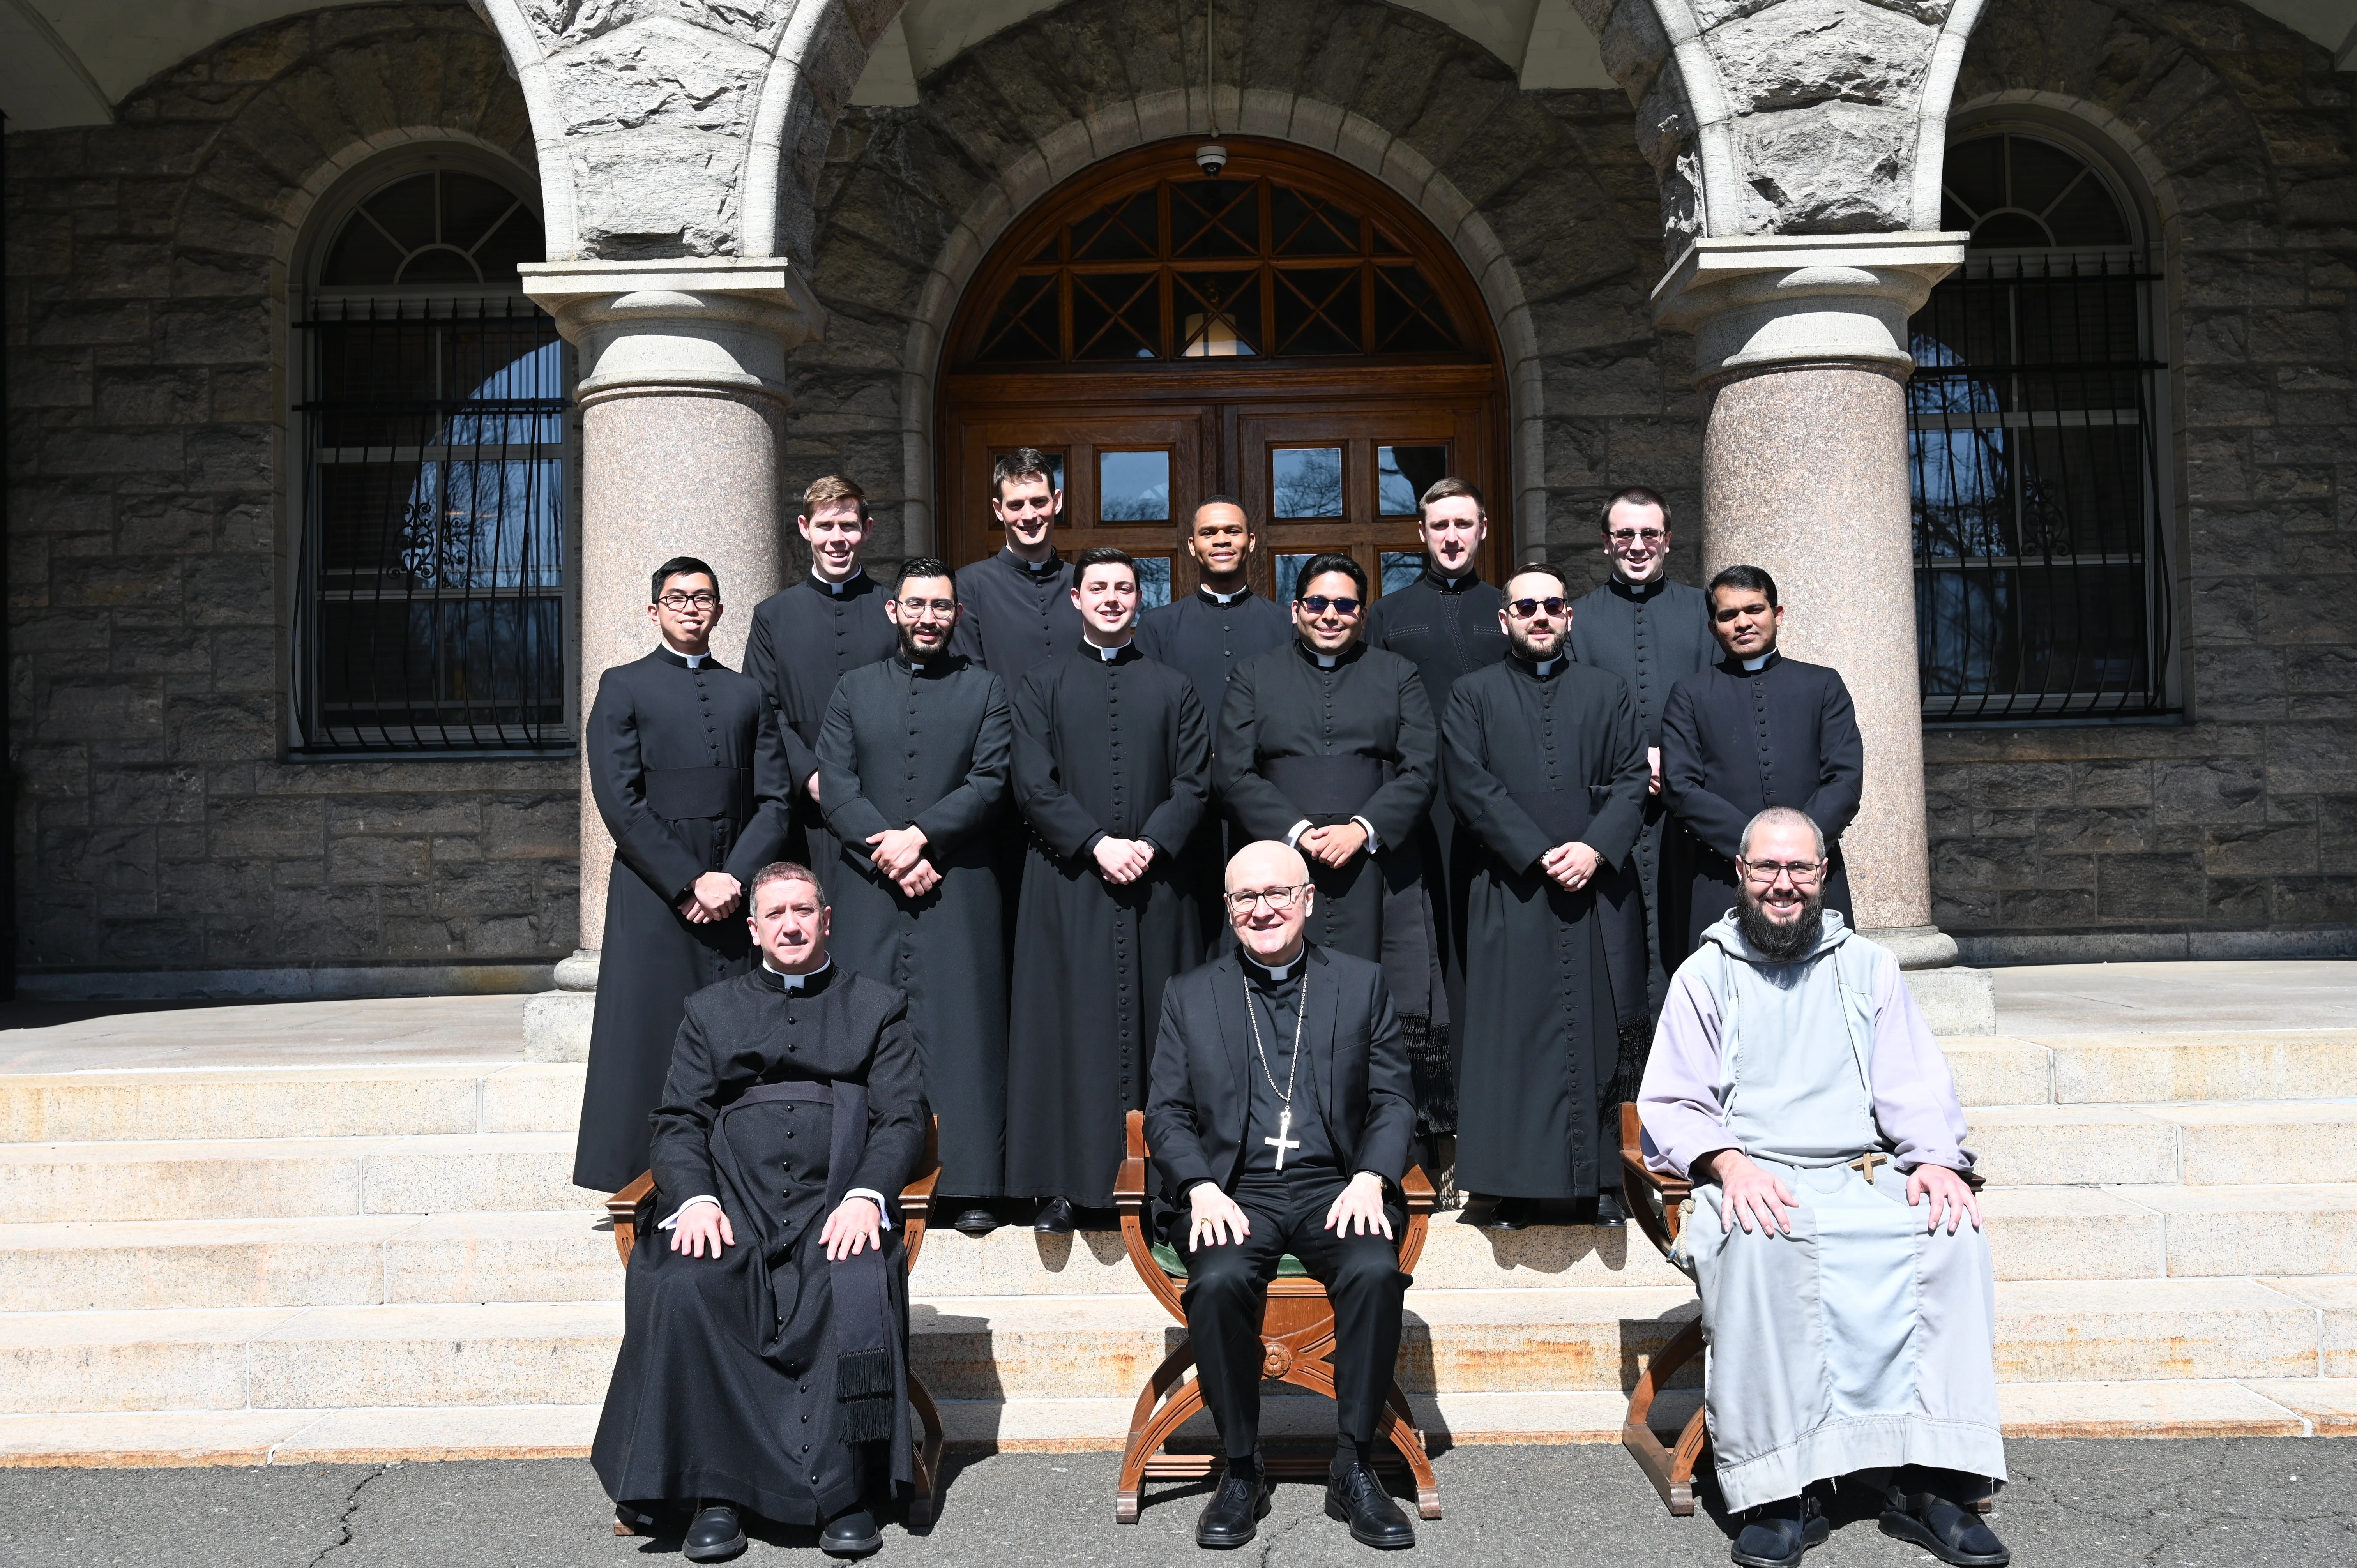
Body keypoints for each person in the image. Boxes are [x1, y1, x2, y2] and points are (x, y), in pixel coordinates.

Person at [1638, 808, 2008, 1568]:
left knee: (1952, 1234)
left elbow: (1911, 1079)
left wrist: (1936, 1157)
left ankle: (1933, 1480)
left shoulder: (1868, 964)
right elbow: (1672, 1101)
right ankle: (1778, 1492)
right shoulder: (1705, 974)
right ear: (1740, 873)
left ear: (1823, 873)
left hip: (1860, 1172)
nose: (1784, 884)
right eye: (1768, 869)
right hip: (1752, 1173)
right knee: (1761, 1241)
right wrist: (1730, 1163)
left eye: (1800, 869)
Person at [593, 861, 926, 1563]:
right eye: (774, 914)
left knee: (851, 1274)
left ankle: (843, 1491)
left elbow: (901, 1117)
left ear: (826, 919)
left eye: (803, 910)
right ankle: (717, 1492)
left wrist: (868, 1194)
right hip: (732, 1195)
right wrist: (696, 1197)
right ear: (752, 929)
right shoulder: (709, 1010)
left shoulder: (878, 1005)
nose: (791, 924)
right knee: (687, 1282)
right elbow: (677, 1118)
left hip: (836, 1197)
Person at [1145, 840, 1419, 1553]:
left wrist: (1370, 1175)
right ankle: (1240, 1465)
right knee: (1220, 1276)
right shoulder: (1190, 991)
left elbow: (1393, 1099)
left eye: (1275, 893)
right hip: (1234, 1190)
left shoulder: (1359, 984)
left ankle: (1354, 1464)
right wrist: (1199, 1186)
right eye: (1244, 897)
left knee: (1372, 1269)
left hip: (1336, 1185)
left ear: (1306, 899)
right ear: (1228, 908)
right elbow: (1167, 1113)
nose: (1260, 908)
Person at [1005, 547, 1210, 1234]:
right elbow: (1032, 781)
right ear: (1076, 598)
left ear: (1139, 598)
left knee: (1165, 1033)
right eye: (1099, 587)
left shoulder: (1173, 686)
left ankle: (1165, 1186)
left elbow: (1194, 782)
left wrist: (1147, 844)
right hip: (1070, 883)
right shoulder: (1040, 684)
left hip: (1158, 887)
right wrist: (1096, 842)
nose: (1112, 598)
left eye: (1125, 587)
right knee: (1066, 1026)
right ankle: (1064, 1185)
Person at [574, 556, 794, 1194]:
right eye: (677, 597)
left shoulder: (748, 693)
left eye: (702, 597)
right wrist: (687, 879)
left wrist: (733, 877)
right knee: (649, 1031)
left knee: (737, 1030)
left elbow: (775, 799)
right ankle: (640, 1175)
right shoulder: (622, 685)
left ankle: (735, 1168)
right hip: (655, 889)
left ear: (720, 611)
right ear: (654, 611)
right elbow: (619, 799)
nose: (691, 607)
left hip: (733, 886)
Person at [1442, 563, 1649, 1230]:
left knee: (1602, 1033)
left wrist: (1592, 847)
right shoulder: (1470, 694)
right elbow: (1468, 784)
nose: (1539, 615)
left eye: (1551, 605)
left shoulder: (1607, 690)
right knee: (1511, 1035)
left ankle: (1603, 1183)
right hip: (1511, 884)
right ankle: (1506, 1187)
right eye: (1524, 605)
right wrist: (1536, 851)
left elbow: (1629, 779)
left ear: (1569, 616)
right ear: (1503, 619)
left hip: (1597, 881)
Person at [817, 559, 1013, 1237]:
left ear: (956, 615)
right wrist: (890, 850)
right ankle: (867, 1175)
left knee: (965, 1028)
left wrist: (922, 837)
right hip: (871, 882)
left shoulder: (985, 689)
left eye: (941, 605)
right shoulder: (851, 688)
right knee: (865, 1027)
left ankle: (969, 1184)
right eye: (916, 604)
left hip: (957, 882)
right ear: (892, 610)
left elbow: (991, 780)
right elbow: (834, 782)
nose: (928, 616)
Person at [1214, 553, 1438, 1025]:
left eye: (1345, 604)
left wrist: (1361, 829)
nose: (1330, 614)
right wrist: (1296, 833)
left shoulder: (1399, 674)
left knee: (1378, 1005)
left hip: (1376, 867)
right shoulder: (1254, 675)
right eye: (1317, 602)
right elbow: (1233, 772)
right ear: (1296, 609)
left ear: (1363, 614)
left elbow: (1421, 769)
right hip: (1279, 864)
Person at [1363, 476, 1506, 1166]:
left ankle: (1489, 1123)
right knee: (1426, 971)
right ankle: (1431, 1129)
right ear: (1419, 533)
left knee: (1483, 965)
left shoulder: (1509, 610)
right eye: (1437, 524)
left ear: (1484, 529)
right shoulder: (1389, 615)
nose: (1450, 536)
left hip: (1495, 815)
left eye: (1462, 523)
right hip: (1417, 812)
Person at [1660, 565, 1863, 964]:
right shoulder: (1689, 694)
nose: (1743, 622)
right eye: (1728, 615)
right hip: (1725, 873)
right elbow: (1680, 786)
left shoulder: (1823, 685)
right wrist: (1755, 853)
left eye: (1754, 609)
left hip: (1811, 875)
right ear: (1713, 627)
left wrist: (1795, 855)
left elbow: (1845, 778)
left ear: (1778, 614)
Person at [1567, 486, 1716, 1015]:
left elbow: (1725, 700)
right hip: (1611, 808)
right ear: (1606, 544)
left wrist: (1676, 753)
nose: (1637, 545)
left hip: (1691, 810)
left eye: (1649, 533)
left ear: (1668, 541)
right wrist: (1635, 760)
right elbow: (1567, 715)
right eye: (1624, 534)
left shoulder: (1705, 611)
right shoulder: (1575, 620)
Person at [1135, 496, 1293, 946]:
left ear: (1252, 541)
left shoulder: (1285, 623)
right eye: (1209, 533)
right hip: (1186, 808)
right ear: (1191, 545)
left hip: (1268, 802)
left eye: (1232, 531)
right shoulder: (1158, 626)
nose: (1221, 540)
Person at [742, 475, 899, 868]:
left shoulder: (894, 611)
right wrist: (811, 778)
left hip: (882, 801)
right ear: (804, 528)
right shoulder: (771, 616)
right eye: (825, 526)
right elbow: (763, 711)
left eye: (848, 526)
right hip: (801, 807)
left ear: (867, 529)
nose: (837, 538)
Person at [950, 447, 1084, 687]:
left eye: (1039, 502)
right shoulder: (968, 586)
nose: (1029, 515)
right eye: (1016, 505)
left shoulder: (1084, 583)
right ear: (998, 510)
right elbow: (970, 686)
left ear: (1057, 502)